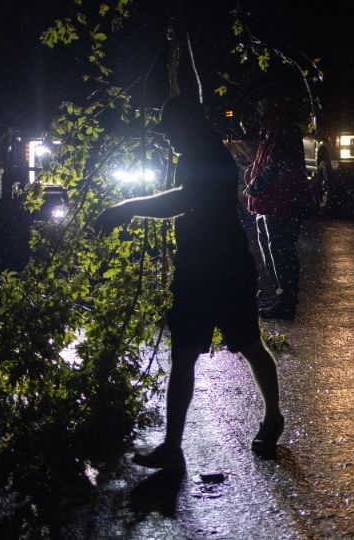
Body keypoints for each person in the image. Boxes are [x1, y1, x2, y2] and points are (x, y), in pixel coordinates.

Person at [96, 93, 285, 470]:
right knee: (183, 354)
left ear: (188, 124)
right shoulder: (194, 153)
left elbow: (183, 200)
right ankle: (173, 447)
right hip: (197, 270)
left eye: (170, 128)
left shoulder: (212, 156)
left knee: (249, 345)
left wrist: (128, 207)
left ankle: (272, 417)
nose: (166, 136)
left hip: (226, 269)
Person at [243, 95, 310, 320]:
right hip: (269, 202)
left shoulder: (282, 131)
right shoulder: (271, 129)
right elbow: (265, 161)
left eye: (262, 103)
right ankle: (281, 297)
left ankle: (286, 300)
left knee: (280, 251)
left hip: (280, 202)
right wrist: (251, 172)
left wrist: (256, 184)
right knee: (273, 250)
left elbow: (277, 165)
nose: (259, 107)